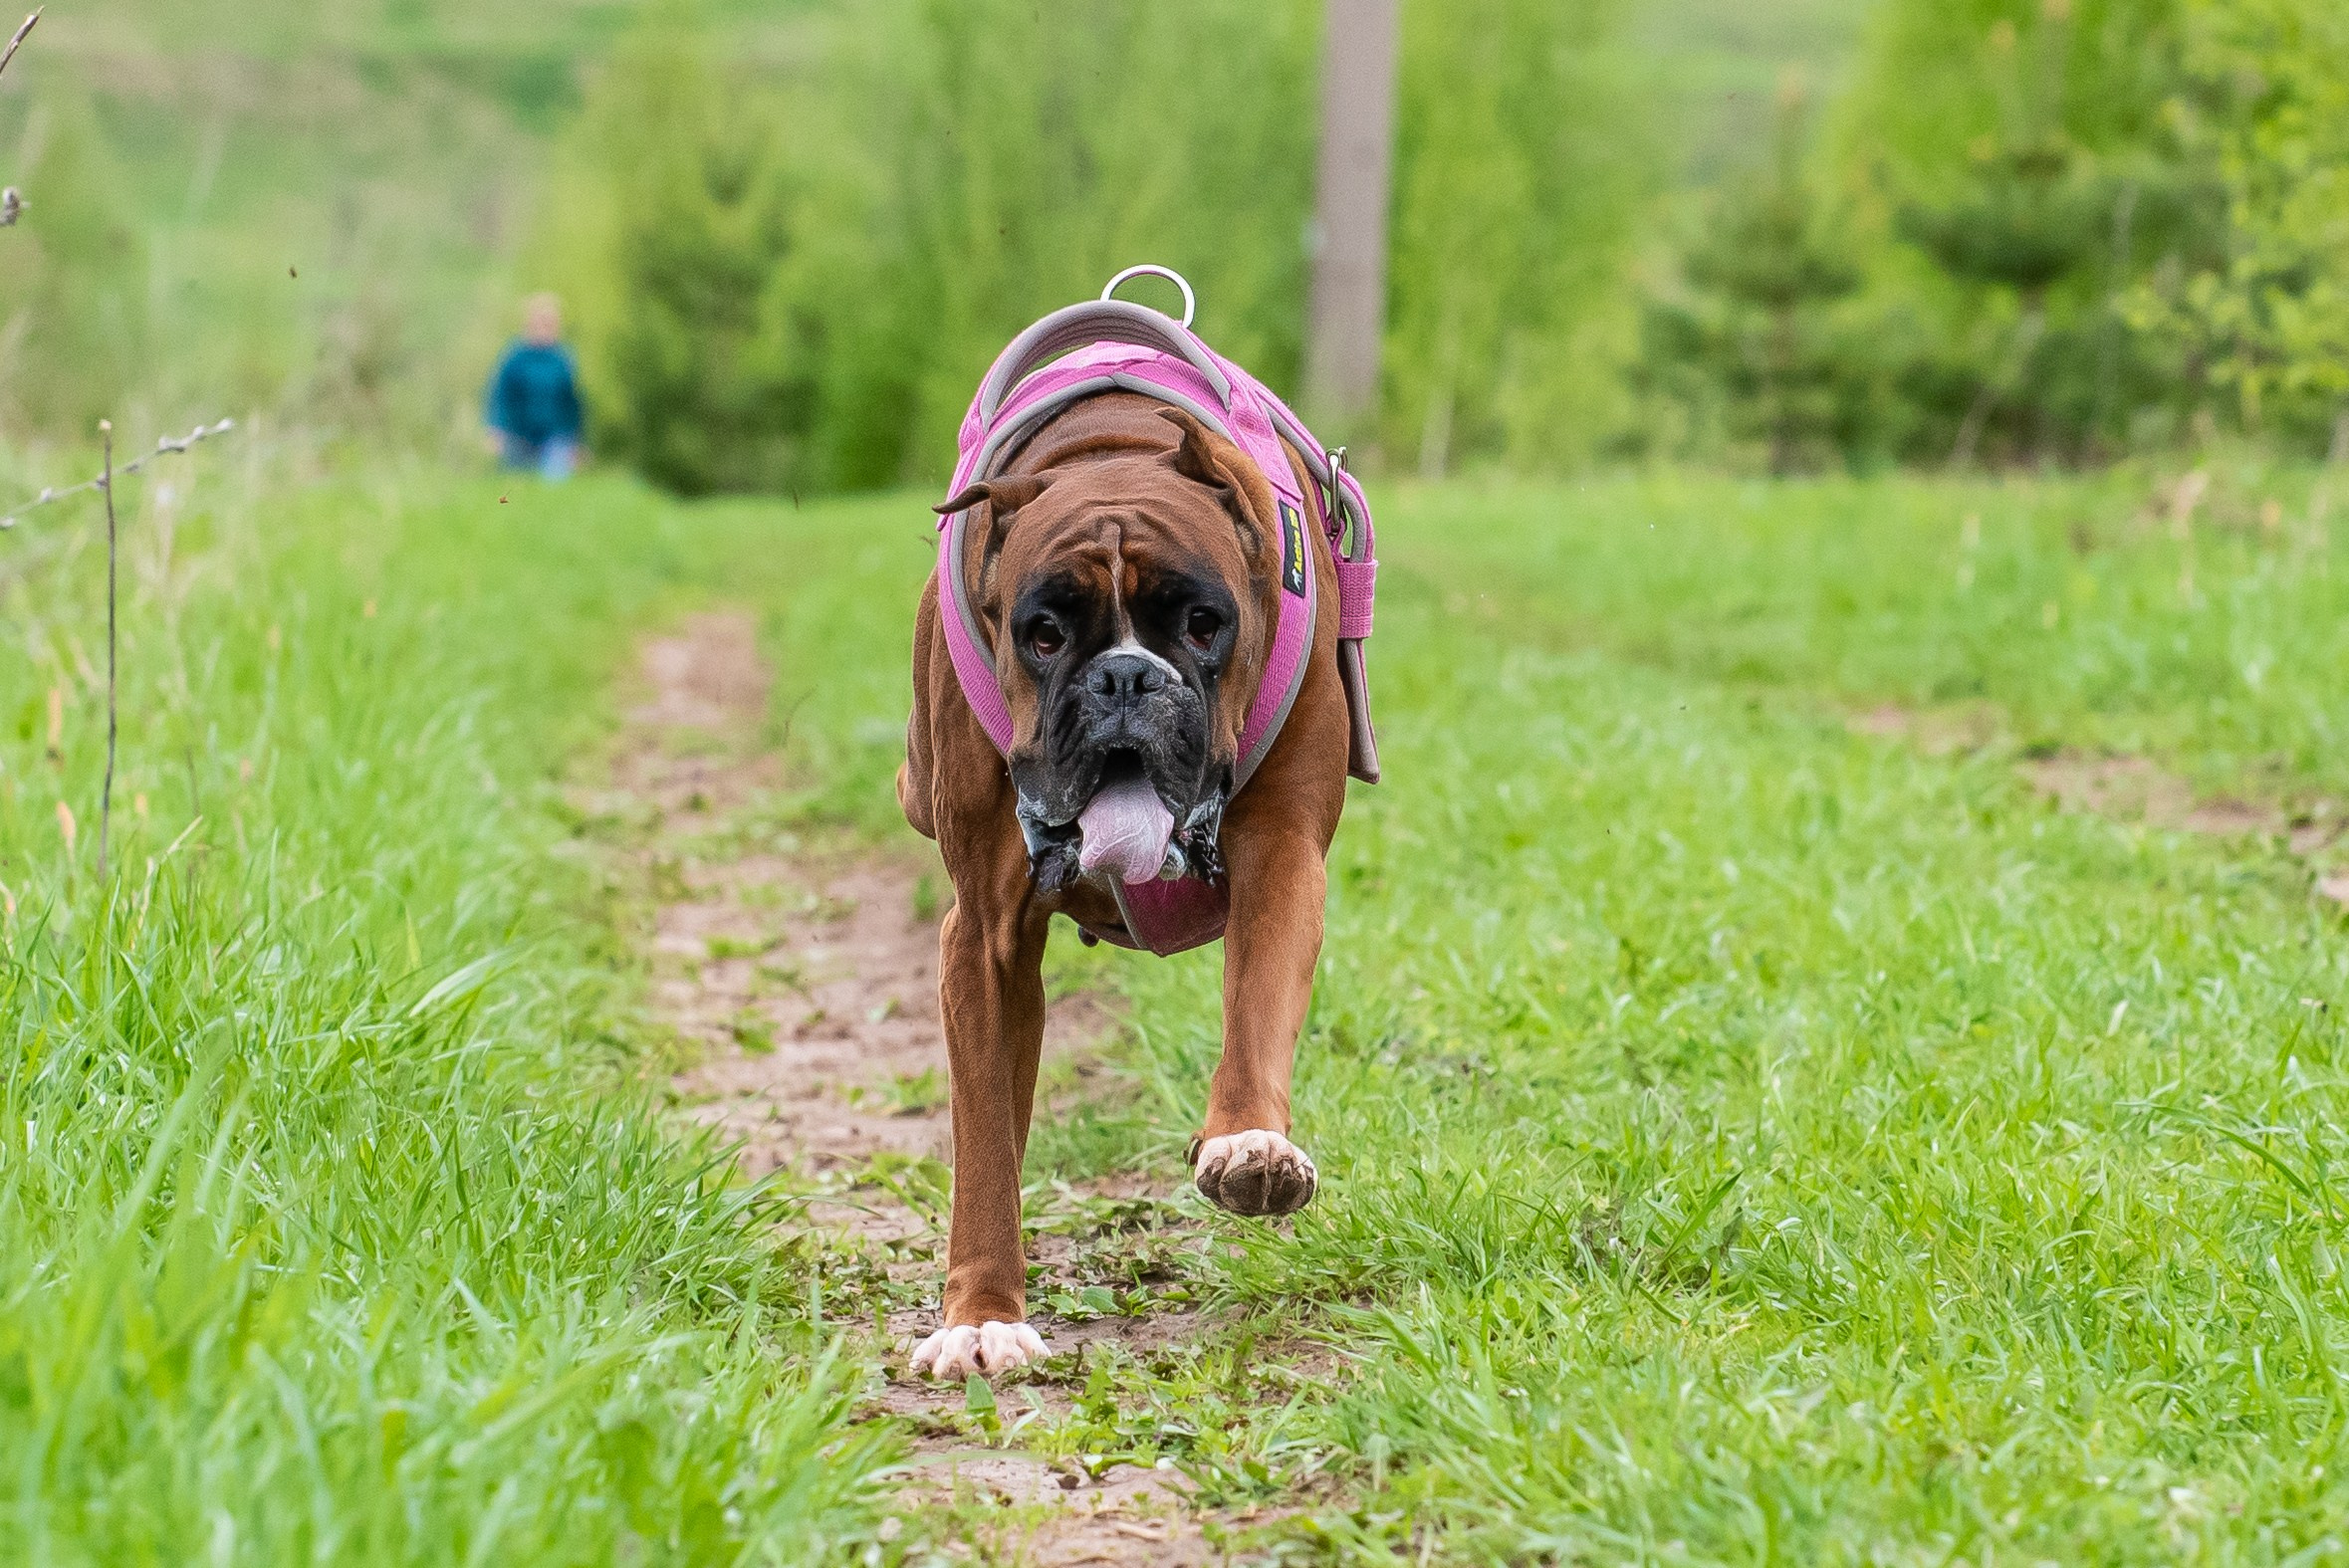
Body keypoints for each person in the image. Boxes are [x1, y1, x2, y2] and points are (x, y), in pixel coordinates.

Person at [483, 294, 584, 479]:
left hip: (555, 439)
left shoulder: (563, 359)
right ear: (528, 323)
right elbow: (500, 395)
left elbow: (574, 403)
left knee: (553, 489)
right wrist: (495, 429)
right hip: (518, 436)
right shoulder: (514, 357)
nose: (544, 327)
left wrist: (577, 444)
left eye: (549, 323)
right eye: (540, 321)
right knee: (516, 489)